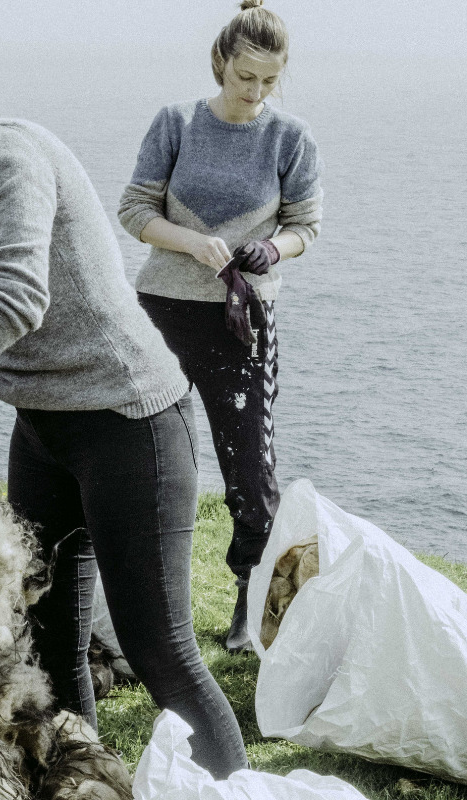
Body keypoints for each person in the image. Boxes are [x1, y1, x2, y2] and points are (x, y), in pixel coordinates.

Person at [0, 3, 248, 778]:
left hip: (131, 427)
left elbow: (17, 299)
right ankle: (82, 787)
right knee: (47, 644)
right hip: (47, 435)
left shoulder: (10, 156)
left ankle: (240, 792)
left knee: (161, 652)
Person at [118, 0, 322, 653]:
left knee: (250, 470)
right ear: (220, 63)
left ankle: (247, 602)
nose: (254, 92)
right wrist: (188, 240)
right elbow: (134, 210)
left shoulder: (291, 139)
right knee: (143, 457)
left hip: (244, 318)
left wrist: (274, 249)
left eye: (267, 81)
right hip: (163, 311)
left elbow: (304, 228)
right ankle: (139, 603)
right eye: (244, 79)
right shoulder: (175, 124)